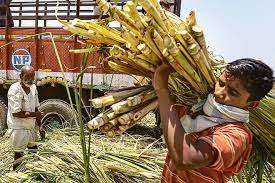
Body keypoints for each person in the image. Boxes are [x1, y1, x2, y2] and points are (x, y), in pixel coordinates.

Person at [153, 58, 274, 182]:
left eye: (232, 92)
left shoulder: (237, 135)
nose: (218, 93)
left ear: (252, 104)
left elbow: (185, 159)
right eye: (220, 84)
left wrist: (162, 90)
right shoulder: (196, 108)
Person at [6, 65, 44, 170]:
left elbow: (36, 108)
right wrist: (35, 115)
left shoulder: (33, 88)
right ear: (20, 76)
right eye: (27, 76)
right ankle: (16, 176)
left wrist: (40, 125)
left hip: (31, 127)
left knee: (34, 152)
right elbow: (16, 113)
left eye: (32, 77)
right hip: (19, 128)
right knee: (19, 156)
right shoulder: (15, 90)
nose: (30, 80)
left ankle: (33, 174)